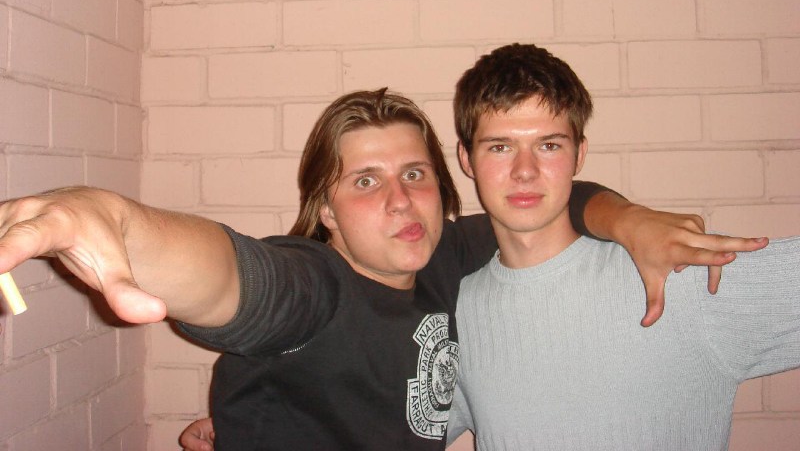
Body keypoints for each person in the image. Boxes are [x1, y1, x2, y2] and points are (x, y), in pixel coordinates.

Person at [0, 90, 762, 451]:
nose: (401, 200)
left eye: (415, 174)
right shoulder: (315, 286)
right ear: (326, 210)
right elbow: (241, 280)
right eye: (365, 181)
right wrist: (115, 221)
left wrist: (629, 220)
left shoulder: (447, 257)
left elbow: (558, 197)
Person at [445, 43, 799, 450]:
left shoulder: (676, 274)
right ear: (466, 159)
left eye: (549, 145)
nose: (525, 171)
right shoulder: (458, 316)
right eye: (500, 147)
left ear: (579, 155)